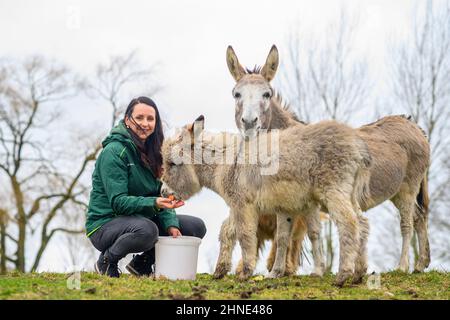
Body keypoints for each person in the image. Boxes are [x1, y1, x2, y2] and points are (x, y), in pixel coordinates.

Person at [85, 96, 207, 278]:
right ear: (127, 120)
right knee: (148, 230)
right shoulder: (114, 152)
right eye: (140, 117)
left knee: (195, 226)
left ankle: (141, 265)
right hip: (105, 224)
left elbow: (161, 196)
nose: (145, 123)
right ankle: (106, 261)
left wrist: (171, 224)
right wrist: (155, 202)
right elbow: (119, 202)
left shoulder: (155, 153)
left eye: (151, 119)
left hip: (141, 219)